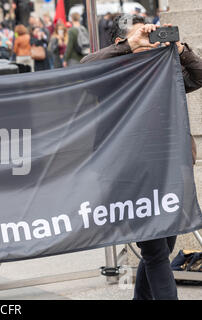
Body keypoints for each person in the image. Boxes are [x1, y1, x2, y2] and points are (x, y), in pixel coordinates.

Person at [81, 15, 202, 300]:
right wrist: (129, 48)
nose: (147, 41)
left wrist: (180, 49)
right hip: (128, 176)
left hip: (170, 172)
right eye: (140, 36)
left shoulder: (163, 69)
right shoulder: (109, 73)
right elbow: (84, 68)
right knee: (155, 252)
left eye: (149, 35)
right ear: (121, 41)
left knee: (163, 248)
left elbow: (199, 76)